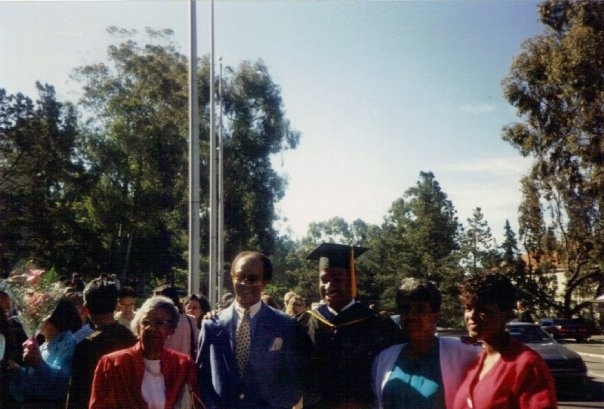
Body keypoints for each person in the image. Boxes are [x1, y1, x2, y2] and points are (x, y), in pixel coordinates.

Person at [296, 242, 403, 409]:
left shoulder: (378, 325)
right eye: (324, 280)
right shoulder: (303, 324)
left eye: (337, 279)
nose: (329, 286)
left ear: (353, 279)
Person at [197, 250, 302, 409]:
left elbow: (294, 379)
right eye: (240, 277)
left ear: (265, 282)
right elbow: (201, 377)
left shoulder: (284, 325)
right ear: (232, 276)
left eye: (252, 279)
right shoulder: (212, 325)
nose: (245, 283)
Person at [453, 272, 557, 409]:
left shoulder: (527, 365)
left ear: (506, 315)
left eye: (482, 310)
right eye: (468, 308)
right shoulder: (476, 361)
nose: (472, 316)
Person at [372, 278, 480, 409]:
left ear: (436, 316)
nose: (411, 316)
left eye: (420, 310)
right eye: (405, 309)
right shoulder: (384, 358)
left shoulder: (464, 353)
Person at [89, 295, 200, 408]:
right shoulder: (113, 364)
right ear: (137, 327)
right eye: (145, 323)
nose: (150, 328)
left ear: (171, 329)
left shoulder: (183, 366)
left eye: (159, 323)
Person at [66, 278, 137, 409]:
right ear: (116, 305)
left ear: (86, 309)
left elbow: (77, 394)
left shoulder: (85, 346)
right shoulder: (132, 340)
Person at [8, 297, 81, 408]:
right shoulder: (44, 345)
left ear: (54, 318)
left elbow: (63, 383)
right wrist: (18, 371)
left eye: (40, 315)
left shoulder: (68, 343)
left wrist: (39, 364)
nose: (35, 319)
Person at [154, 284, 200, 359]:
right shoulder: (190, 320)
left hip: (162, 365)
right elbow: (199, 343)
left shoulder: (156, 322)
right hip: (184, 365)